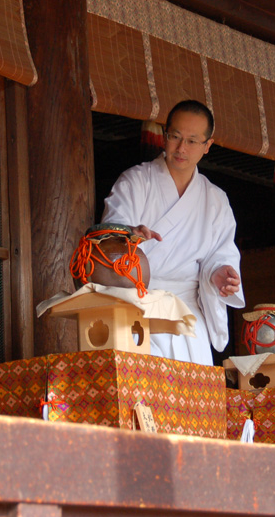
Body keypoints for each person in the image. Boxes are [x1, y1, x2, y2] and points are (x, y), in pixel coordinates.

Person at [101, 100, 244, 365]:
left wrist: (218, 273)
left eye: (192, 141)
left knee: (194, 400)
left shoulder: (215, 200)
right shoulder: (135, 181)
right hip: (138, 307)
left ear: (208, 145)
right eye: (175, 137)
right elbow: (109, 237)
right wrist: (129, 236)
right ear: (164, 134)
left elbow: (220, 254)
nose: (181, 148)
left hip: (187, 315)